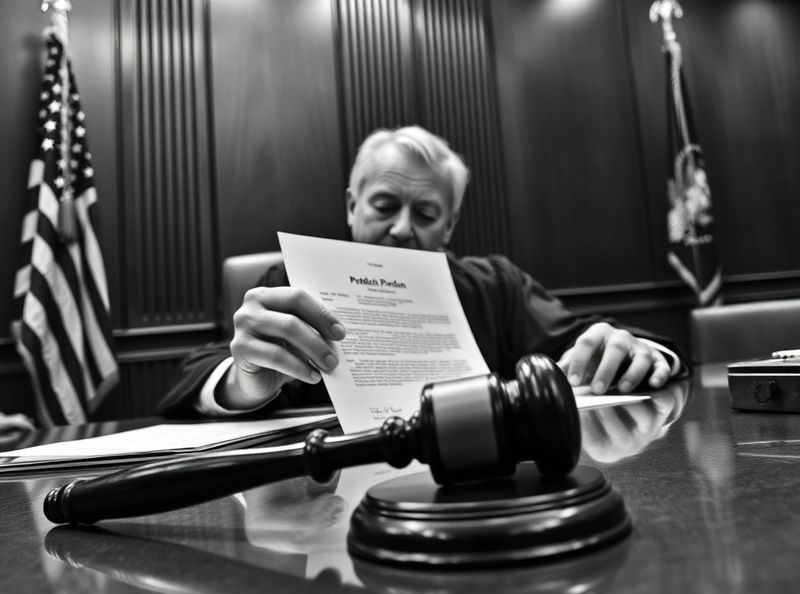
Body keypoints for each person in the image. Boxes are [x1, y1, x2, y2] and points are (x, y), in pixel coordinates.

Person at [158, 126, 687, 418]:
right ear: (351, 205)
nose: (403, 228)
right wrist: (245, 383)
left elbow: (587, 340)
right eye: (386, 205)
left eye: (427, 213)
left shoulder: (494, 285)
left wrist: (632, 349)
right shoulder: (291, 281)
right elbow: (195, 374)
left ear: (450, 225)